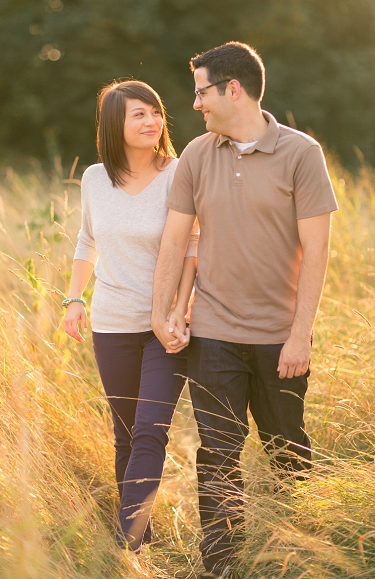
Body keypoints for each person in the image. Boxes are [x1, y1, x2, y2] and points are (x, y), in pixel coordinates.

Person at [151, 42, 338, 579]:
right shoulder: (196, 155)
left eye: (201, 92)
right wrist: (163, 312)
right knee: (218, 451)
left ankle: (300, 551)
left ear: (234, 89)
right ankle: (222, 564)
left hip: (279, 336)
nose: (195, 105)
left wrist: (301, 334)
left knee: (286, 448)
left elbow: (317, 250)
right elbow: (174, 239)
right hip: (211, 333)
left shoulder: (301, 154)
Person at [62, 80, 198, 553]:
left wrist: (179, 311)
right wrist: (74, 297)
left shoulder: (180, 173)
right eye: (138, 114)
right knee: (124, 434)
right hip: (111, 322)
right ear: (113, 124)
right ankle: (142, 527)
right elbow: (86, 240)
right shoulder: (95, 178)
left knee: (149, 430)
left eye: (155, 112)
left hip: (165, 327)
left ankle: (126, 545)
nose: (151, 121)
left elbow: (194, 248)